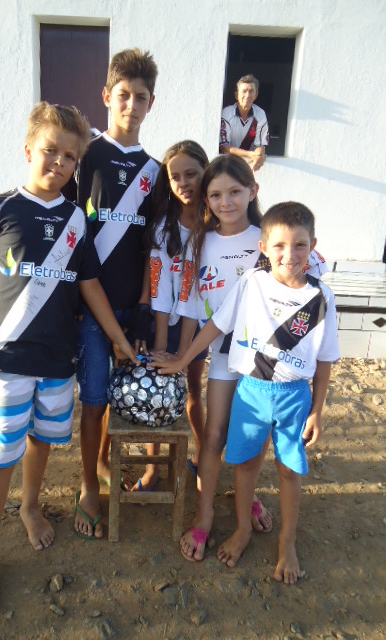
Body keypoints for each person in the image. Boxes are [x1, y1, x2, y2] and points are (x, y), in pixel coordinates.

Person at [0, 102, 138, 614]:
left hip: (60, 362)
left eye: (69, 156)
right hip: (10, 359)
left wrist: (118, 339)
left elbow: (90, 285)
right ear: (28, 150)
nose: (59, 162)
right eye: (50, 150)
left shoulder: (76, 220)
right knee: (1, 453)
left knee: (42, 439)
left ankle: (30, 507)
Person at [155, 201, 340, 584]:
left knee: (289, 471)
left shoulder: (321, 297)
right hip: (251, 393)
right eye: (280, 245)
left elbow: (325, 360)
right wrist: (183, 359)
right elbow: (216, 325)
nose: (290, 255)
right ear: (263, 247)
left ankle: (287, 542)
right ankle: (241, 531)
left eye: (300, 245)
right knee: (246, 466)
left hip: (294, 396)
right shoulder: (252, 283)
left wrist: (317, 410)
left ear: (313, 245)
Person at [151, 154, 274, 561]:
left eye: (234, 192)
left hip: (264, 363)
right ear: (206, 199)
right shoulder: (199, 242)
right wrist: (182, 357)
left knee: (252, 437)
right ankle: (204, 515)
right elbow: (189, 303)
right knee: (214, 435)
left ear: (252, 192)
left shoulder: (268, 239)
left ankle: (247, 498)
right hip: (221, 355)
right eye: (216, 195)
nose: (226, 202)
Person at [75, 49, 159, 535]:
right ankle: (89, 484)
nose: (131, 104)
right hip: (90, 308)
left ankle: (107, 460)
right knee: (94, 401)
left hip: (133, 307)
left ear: (151, 103)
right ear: (107, 96)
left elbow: (153, 247)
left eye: (140, 97)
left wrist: (145, 307)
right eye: (123, 95)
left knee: (127, 397)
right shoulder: (86, 156)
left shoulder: (154, 171)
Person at [136, 141, 210, 492]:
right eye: (175, 176)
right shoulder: (163, 226)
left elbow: (197, 292)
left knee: (193, 388)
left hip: (199, 326)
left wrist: (183, 354)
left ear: (206, 172)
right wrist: (164, 347)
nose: (183, 183)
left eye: (191, 174)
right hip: (163, 320)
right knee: (159, 387)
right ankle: (153, 469)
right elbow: (159, 287)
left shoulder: (214, 227)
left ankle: (204, 457)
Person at [219, 74, 269, 172]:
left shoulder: (260, 114)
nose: (248, 95)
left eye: (251, 91)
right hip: (227, 165)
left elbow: (260, 145)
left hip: (247, 167)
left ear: (256, 95)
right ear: (236, 95)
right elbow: (224, 146)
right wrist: (250, 154)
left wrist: (259, 155)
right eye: (244, 91)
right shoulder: (227, 113)